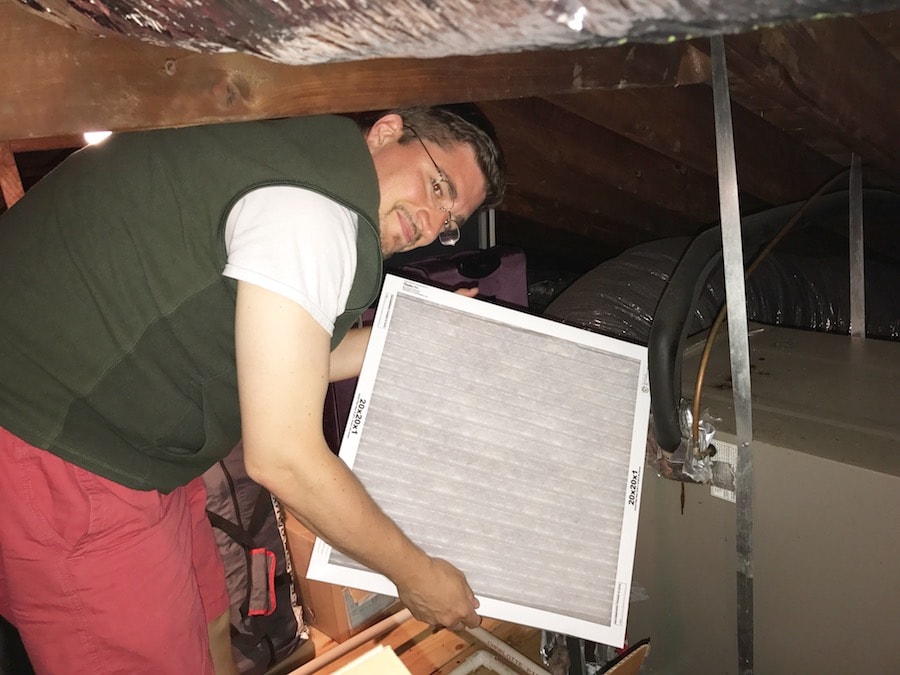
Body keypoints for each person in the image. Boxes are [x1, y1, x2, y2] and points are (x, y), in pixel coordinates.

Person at [0, 105, 505, 673]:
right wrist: (417, 575)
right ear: (387, 133)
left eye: (451, 219)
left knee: (212, 622)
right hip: (56, 441)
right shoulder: (314, 214)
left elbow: (288, 357)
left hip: (127, 434)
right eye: (437, 186)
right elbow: (283, 458)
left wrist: (416, 338)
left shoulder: (304, 166)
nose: (433, 224)